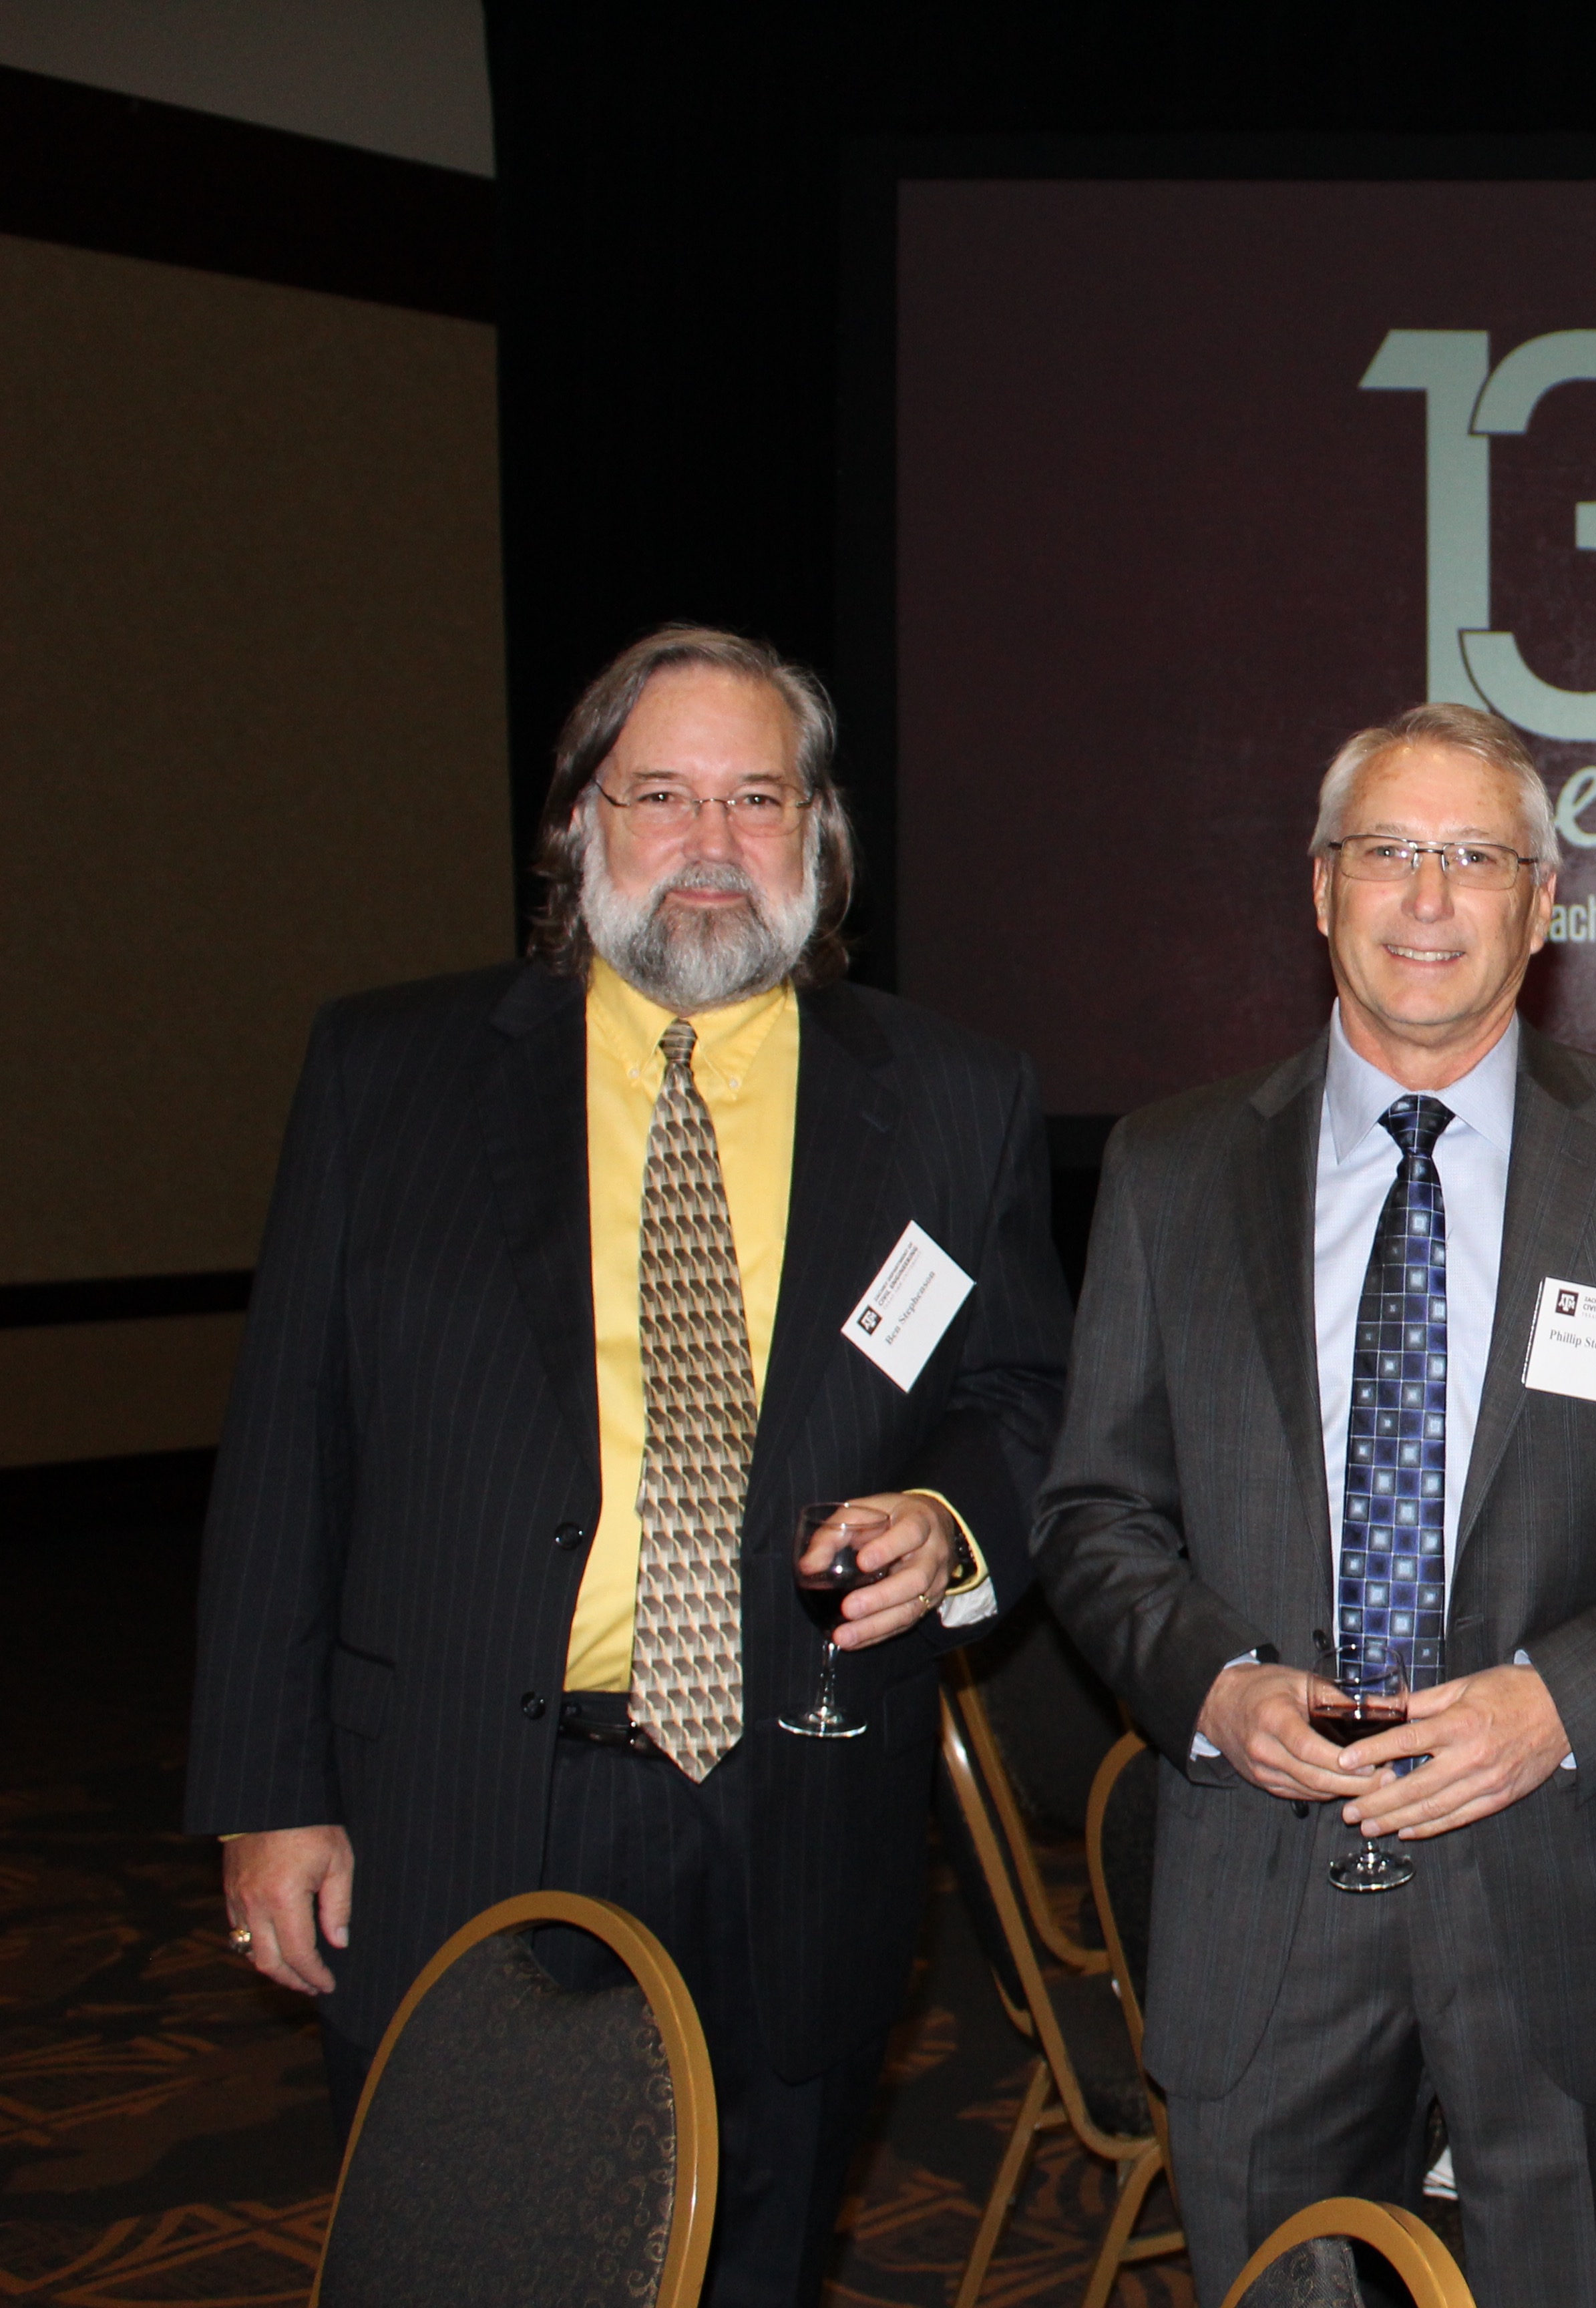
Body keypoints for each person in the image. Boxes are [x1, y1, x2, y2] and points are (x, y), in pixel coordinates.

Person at [186, 626, 1072, 2307]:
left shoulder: (956, 1097)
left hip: (792, 1797)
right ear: (580, 826)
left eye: (758, 797)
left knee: (757, 2247)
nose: (714, 844)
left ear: (819, 835)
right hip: (454, 1794)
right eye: (661, 796)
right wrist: (267, 1792)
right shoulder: (390, 1076)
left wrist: (951, 1518)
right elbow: (287, 1443)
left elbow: (1026, 1390)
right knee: (465, 2255)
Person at [1033, 701, 1596, 2307]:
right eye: (1391, 852)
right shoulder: (1170, 1170)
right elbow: (1095, 1515)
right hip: (1265, 1902)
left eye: (1478, 857)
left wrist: (1556, 1706)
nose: (1432, 898)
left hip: (1570, 1900)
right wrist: (1215, 1692)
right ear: (1322, 889)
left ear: (1546, 904)